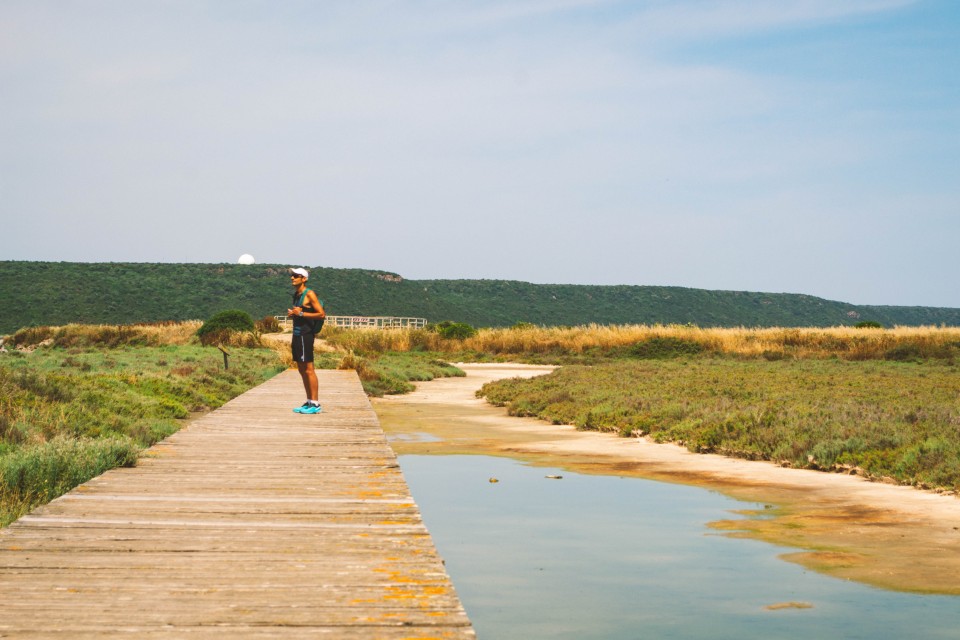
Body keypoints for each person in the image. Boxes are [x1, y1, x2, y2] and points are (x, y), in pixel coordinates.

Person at [287, 267, 326, 414]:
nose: (292, 278)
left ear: (304, 279)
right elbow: (301, 313)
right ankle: (309, 401)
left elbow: (321, 314)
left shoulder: (309, 294)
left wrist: (301, 313)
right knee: (301, 369)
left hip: (306, 335)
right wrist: (295, 314)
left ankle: (315, 404)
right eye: (292, 276)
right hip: (297, 334)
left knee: (309, 369)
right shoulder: (297, 294)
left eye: (296, 276)